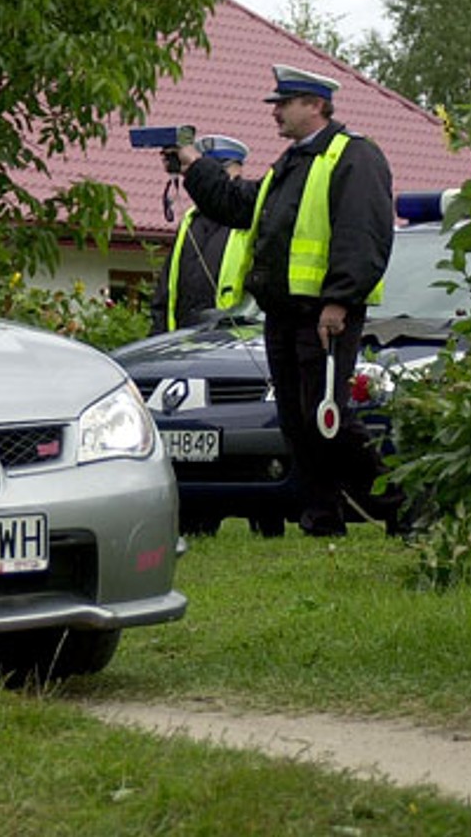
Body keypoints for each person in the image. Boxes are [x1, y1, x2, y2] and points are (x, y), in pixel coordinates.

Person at [177, 64, 395, 537]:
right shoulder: (290, 164)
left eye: (284, 103)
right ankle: (321, 516)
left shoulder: (354, 157)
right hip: (282, 313)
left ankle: (397, 501)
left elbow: (362, 236)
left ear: (314, 106)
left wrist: (338, 300)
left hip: (324, 314)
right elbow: (239, 205)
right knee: (298, 421)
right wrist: (195, 166)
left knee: (325, 415)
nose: (275, 111)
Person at [148, 136, 247, 335]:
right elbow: (166, 292)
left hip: (233, 345)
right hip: (182, 343)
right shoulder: (190, 221)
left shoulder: (248, 220)